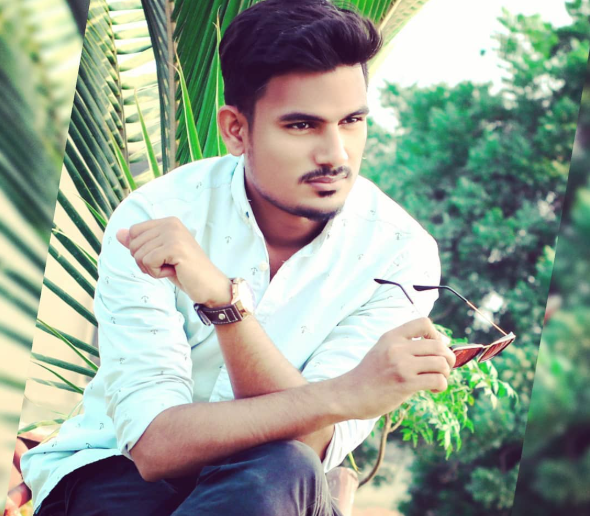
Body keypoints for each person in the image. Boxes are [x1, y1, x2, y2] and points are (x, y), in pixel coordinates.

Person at [22, 1, 455, 514]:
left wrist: (221, 301)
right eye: (302, 125)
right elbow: (155, 447)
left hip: (272, 487)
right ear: (235, 130)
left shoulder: (400, 256)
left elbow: (312, 444)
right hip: (118, 473)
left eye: (352, 120)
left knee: (285, 467)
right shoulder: (155, 218)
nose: (336, 154)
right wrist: (346, 394)